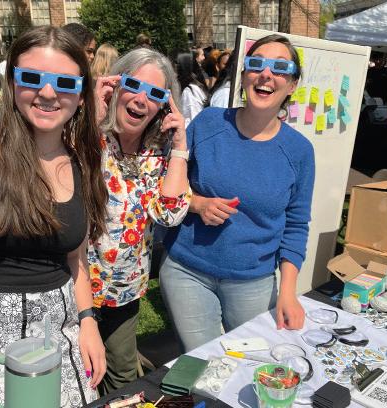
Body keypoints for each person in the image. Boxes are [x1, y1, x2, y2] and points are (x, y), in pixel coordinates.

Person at [0, 25, 108, 407]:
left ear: (81, 94)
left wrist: (88, 322)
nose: (48, 92)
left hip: (54, 340)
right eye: (32, 78)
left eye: (65, 82)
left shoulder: (81, 161)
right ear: (12, 83)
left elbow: (75, 258)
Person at [161, 34, 315, 352]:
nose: (266, 74)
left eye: (280, 68)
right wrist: (197, 203)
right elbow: (167, 180)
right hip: (187, 271)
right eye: (256, 64)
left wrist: (288, 292)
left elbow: (296, 225)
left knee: (253, 362)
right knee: (204, 364)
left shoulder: (299, 151)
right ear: (243, 76)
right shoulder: (208, 123)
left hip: (254, 281)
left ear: (292, 85)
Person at [89, 47, 191, 394]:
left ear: (165, 105)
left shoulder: (158, 154)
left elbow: (169, 213)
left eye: (155, 93)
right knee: (78, 373)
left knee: (121, 375)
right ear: (115, 85)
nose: (141, 99)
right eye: (133, 85)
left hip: (124, 289)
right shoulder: (89, 136)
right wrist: (90, 117)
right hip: (75, 287)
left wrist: (180, 145)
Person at [176, 52, 208, 126]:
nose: (175, 67)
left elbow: (192, 119)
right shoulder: (193, 86)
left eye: (178, 64)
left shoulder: (189, 91)